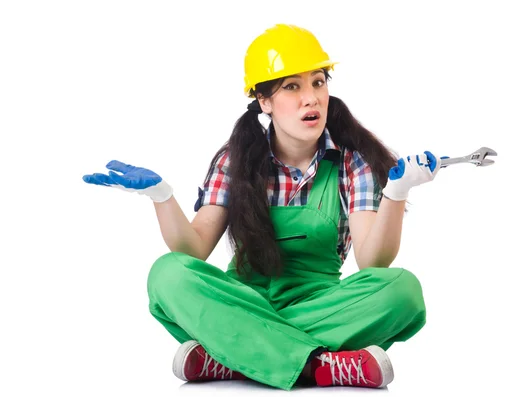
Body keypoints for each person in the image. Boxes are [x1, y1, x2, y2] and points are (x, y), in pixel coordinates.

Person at [82, 23, 442, 391]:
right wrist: (162, 197)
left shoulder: (354, 162)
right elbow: (193, 249)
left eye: (318, 82)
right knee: (167, 275)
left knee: (402, 291)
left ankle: (234, 357)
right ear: (264, 101)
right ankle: (318, 367)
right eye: (292, 86)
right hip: (241, 299)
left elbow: (373, 261)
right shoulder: (234, 160)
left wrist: (395, 194)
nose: (311, 98)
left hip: (319, 305)